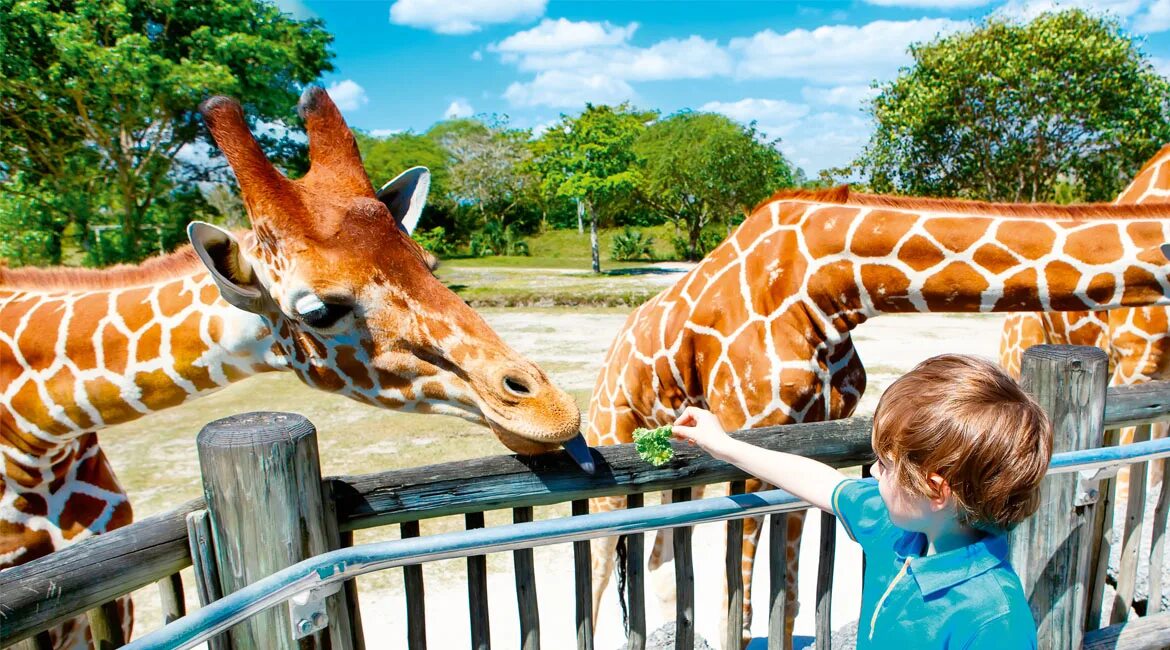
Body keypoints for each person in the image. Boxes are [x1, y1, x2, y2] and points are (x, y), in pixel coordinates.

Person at [672, 354, 1050, 649]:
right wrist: (725, 446)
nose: (872, 472)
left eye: (885, 465)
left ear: (935, 490)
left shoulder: (995, 620)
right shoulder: (900, 530)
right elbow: (824, 483)